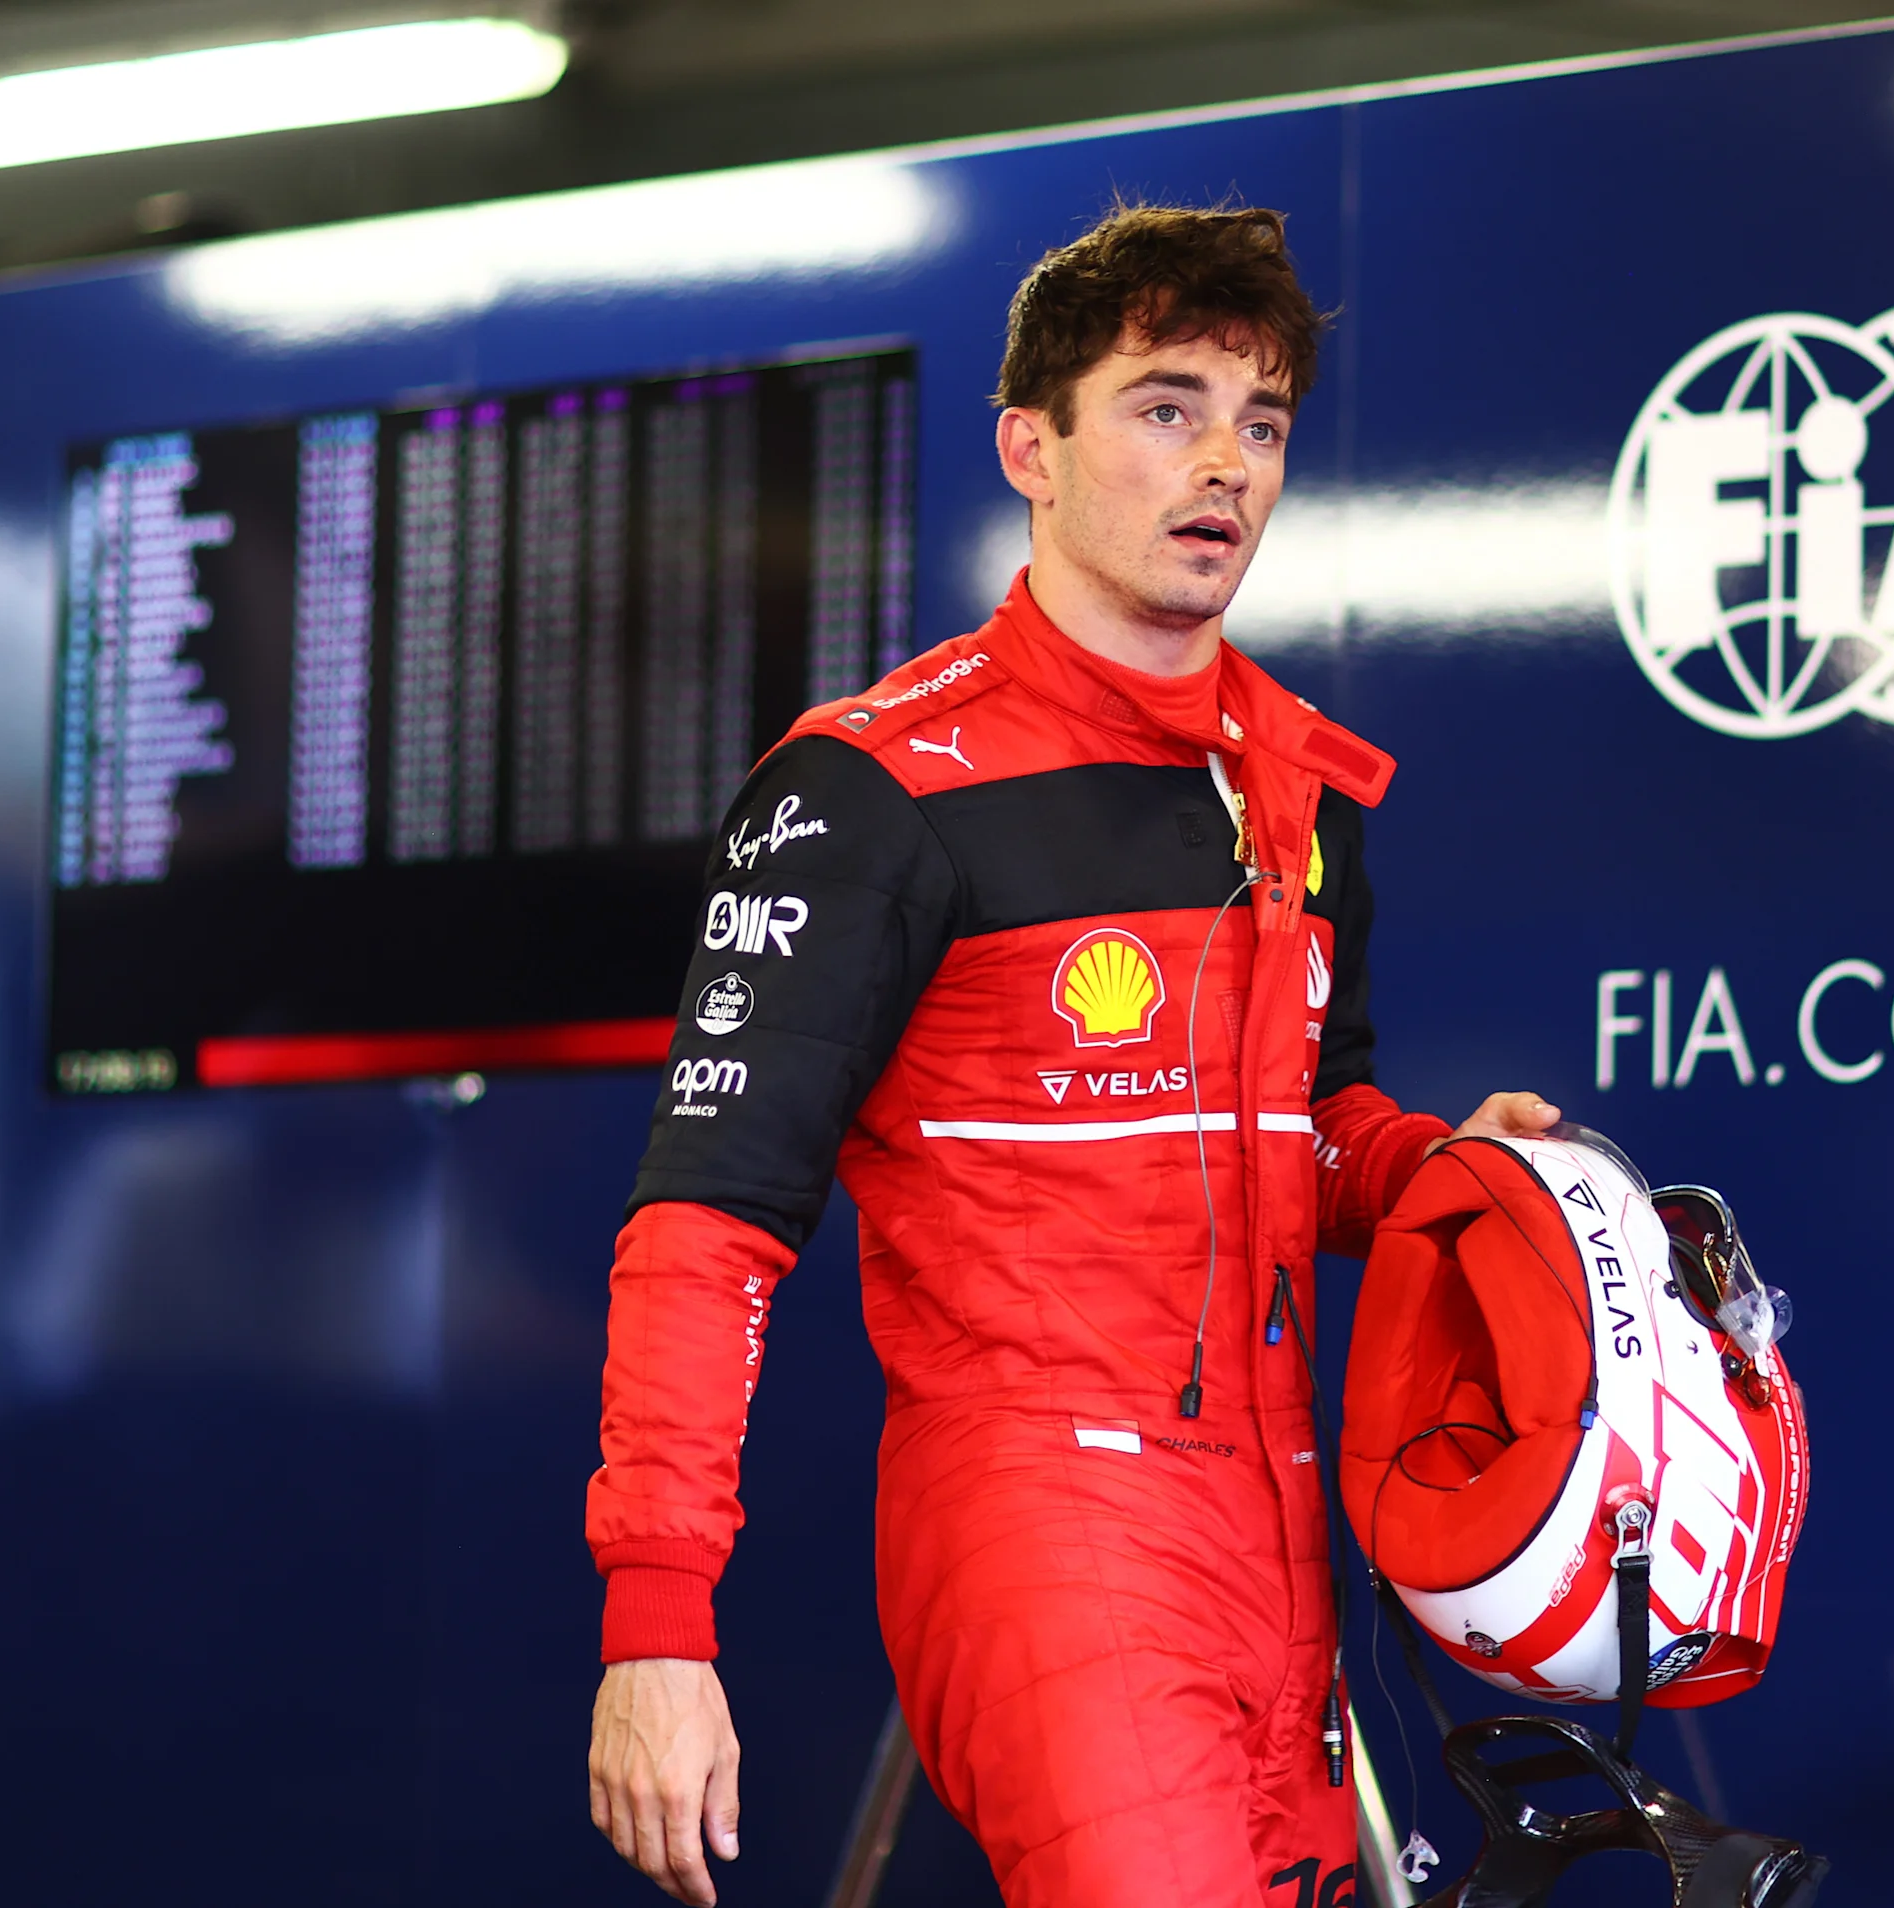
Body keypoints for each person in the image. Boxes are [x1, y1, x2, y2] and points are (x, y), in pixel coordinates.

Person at [585, 201, 1561, 1908]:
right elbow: (705, 1226)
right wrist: (657, 1626)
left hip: (1281, 1527)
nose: (1227, 468)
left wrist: (1450, 1178)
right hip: (1039, 1519)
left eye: (1261, 424)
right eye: (1166, 407)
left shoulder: (1299, 788)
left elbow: (1304, 1128)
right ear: (1030, 448)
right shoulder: (871, 787)